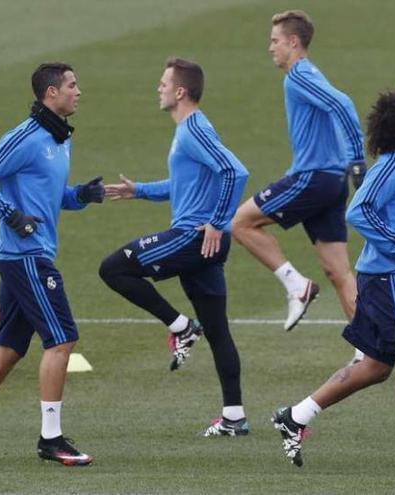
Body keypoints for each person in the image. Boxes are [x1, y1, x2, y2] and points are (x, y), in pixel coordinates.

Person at [271, 88, 395, 475]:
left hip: (387, 277)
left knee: (375, 366)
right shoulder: (392, 167)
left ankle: (295, 416)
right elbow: (358, 212)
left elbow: (388, 214)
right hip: (391, 279)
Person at [0, 63, 103, 466]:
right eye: (72, 84)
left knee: (10, 347)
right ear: (51, 92)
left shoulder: (60, 139)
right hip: (24, 256)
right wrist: (12, 216)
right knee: (62, 340)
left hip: (31, 254)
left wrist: (82, 194)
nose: (79, 91)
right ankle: (51, 438)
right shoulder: (25, 137)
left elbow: (49, 195)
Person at [101, 58, 250, 436]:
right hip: (204, 245)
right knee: (218, 331)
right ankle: (234, 416)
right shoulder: (193, 128)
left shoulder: (192, 131)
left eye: (164, 82)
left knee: (114, 268)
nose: (159, 88)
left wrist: (217, 222)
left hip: (193, 238)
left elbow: (236, 171)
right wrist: (140, 191)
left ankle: (181, 327)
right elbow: (184, 183)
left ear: (180, 91)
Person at [231, 10, 366, 348]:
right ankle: (370, 347)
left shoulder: (299, 76)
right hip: (330, 182)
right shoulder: (306, 74)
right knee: (338, 271)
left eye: (275, 40)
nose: (270, 47)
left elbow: (343, 104)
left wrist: (357, 160)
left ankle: (296, 286)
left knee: (240, 223)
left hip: (313, 178)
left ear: (293, 42)